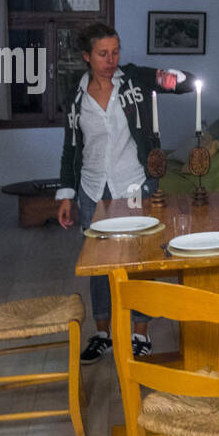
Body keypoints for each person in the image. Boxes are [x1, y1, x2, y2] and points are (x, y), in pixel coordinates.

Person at [56, 22, 197, 362]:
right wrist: (66, 194)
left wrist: (172, 78)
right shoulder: (75, 96)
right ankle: (103, 332)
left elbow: (187, 84)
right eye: (102, 53)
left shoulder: (135, 80)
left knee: (139, 257)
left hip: (134, 182)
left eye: (115, 51)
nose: (110, 59)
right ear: (87, 57)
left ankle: (140, 333)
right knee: (100, 263)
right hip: (93, 188)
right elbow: (71, 148)